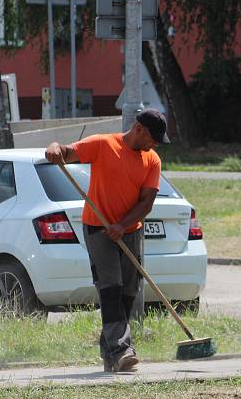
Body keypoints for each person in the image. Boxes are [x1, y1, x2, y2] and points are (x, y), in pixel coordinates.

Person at [45, 109, 170, 373]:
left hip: (131, 230)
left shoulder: (152, 160)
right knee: (110, 288)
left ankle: (111, 354)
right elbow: (66, 152)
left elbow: (147, 202)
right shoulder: (103, 144)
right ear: (138, 128)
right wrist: (54, 147)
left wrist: (123, 226)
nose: (155, 143)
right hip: (98, 229)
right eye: (152, 137)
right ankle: (123, 350)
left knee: (128, 292)